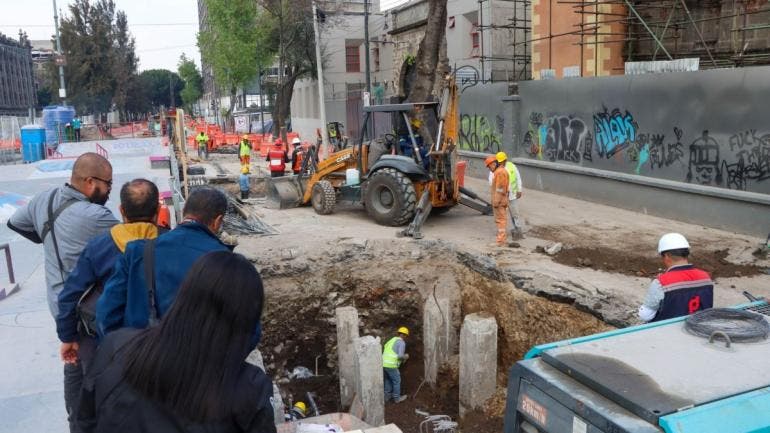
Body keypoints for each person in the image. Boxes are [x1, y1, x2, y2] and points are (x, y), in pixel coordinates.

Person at [77, 251, 276, 433]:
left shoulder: (116, 346)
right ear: (246, 320)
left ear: (184, 295)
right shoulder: (249, 389)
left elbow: (85, 421)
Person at [7, 152, 118, 432]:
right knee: (100, 377)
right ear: (91, 182)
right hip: (90, 313)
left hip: (59, 309)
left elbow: (17, 223)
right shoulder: (97, 216)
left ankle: (76, 424)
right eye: (108, 185)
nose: (108, 192)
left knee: (73, 366)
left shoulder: (43, 199)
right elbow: (130, 243)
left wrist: (51, 238)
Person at [56, 179, 163, 398]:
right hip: (159, 342)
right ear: (158, 210)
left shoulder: (100, 245)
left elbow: (70, 294)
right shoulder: (170, 242)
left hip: (107, 344)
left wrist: (68, 337)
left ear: (122, 210)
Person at [97, 187, 232, 336]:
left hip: (141, 351)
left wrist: (119, 348)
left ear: (184, 213)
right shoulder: (225, 260)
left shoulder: (137, 251)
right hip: (200, 355)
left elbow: (106, 313)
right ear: (218, 221)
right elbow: (246, 328)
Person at [638, 233, 714, 323]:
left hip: (668, 332)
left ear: (666, 256)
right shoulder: (706, 277)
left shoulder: (661, 283)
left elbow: (645, 316)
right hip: (699, 329)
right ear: (686, 253)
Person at [494, 152, 525, 239]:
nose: (501, 163)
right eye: (499, 162)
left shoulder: (512, 166)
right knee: (501, 214)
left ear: (505, 160)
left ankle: (518, 229)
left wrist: (519, 190)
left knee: (515, 213)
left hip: (512, 195)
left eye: (502, 161)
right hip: (502, 196)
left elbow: (518, 178)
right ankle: (501, 231)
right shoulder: (496, 169)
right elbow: (492, 182)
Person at [485, 154, 510, 247]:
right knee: (501, 220)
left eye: (489, 166)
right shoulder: (500, 171)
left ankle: (500, 241)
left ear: (494, 163)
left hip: (499, 201)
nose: (489, 168)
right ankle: (502, 240)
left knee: (501, 221)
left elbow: (500, 189)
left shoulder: (499, 172)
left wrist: (496, 201)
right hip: (501, 200)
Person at [382, 326, 410, 404]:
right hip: (391, 365)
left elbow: (386, 349)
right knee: (397, 381)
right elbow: (400, 356)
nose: (406, 337)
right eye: (406, 336)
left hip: (384, 364)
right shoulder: (401, 343)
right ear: (404, 335)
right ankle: (397, 398)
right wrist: (406, 357)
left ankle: (386, 397)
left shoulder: (392, 340)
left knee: (388, 380)